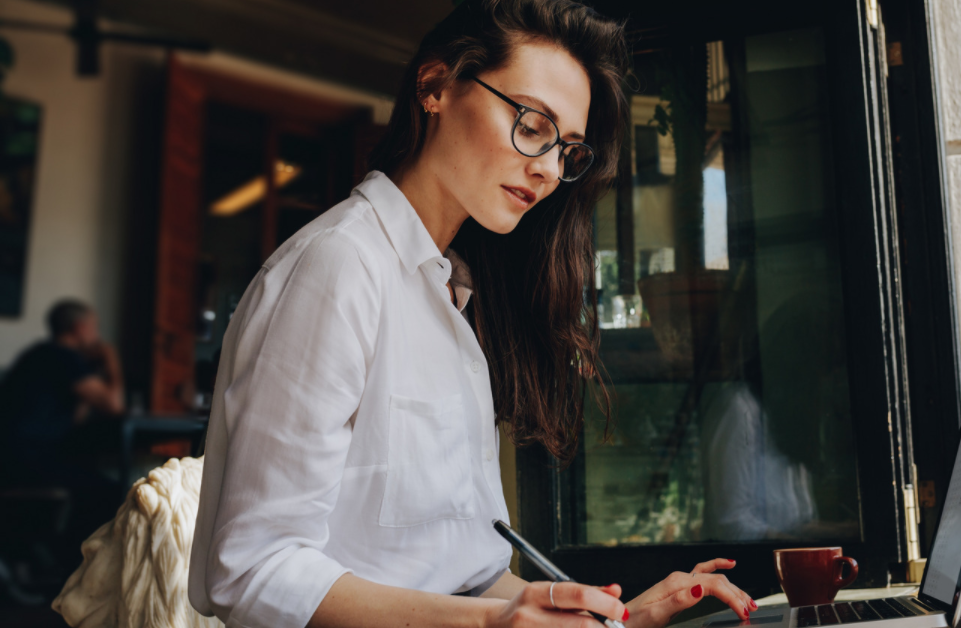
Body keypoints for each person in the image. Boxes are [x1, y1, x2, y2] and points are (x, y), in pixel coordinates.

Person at [189, 2, 757, 627]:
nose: (546, 169)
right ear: (434, 88)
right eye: (532, 124)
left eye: (566, 150)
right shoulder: (338, 267)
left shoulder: (453, 296)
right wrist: (491, 624)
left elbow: (465, 577)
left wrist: (609, 619)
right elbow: (253, 569)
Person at [0, 299, 126, 565]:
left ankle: (52, 560)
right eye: (95, 327)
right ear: (80, 328)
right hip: (27, 458)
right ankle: (72, 569)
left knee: (88, 481)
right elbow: (114, 406)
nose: (97, 335)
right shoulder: (64, 357)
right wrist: (110, 358)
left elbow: (76, 417)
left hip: (16, 455)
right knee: (109, 492)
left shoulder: (39, 354)